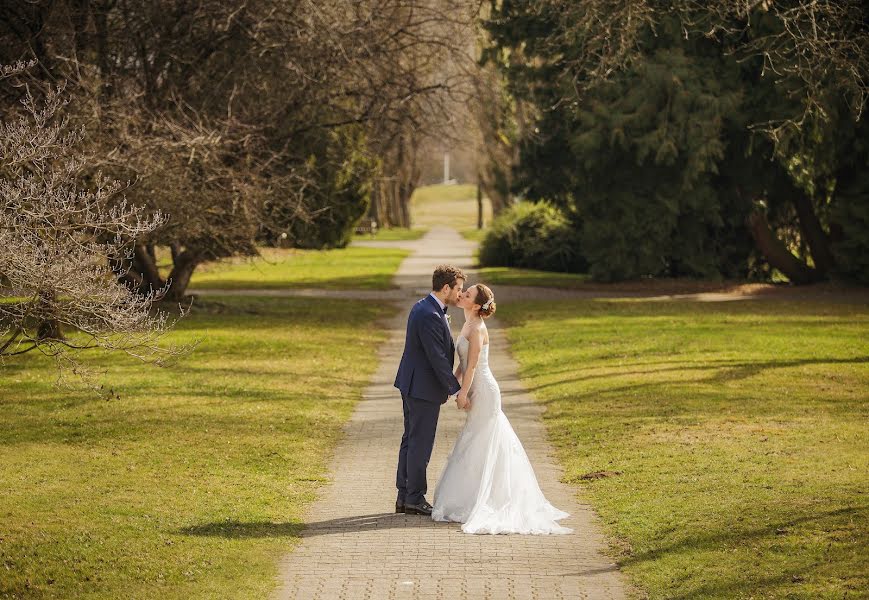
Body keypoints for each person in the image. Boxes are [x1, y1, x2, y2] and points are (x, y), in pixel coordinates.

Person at [431, 284, 572, 534]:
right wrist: (451, 385)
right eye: (464, 291)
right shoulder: (467, 324)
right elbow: (462, 366)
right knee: (478, 442)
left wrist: (463, 394)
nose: (461, 294)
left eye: (467, 294)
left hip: (484, 392)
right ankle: (474, 495)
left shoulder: (476, 329)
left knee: (481, 442)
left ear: (475, 305)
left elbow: (472, 366)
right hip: (475, 388)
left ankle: (489, 500)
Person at [393, 265, 465, 516]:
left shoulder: (425, 307)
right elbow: (437, 358)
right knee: (420, 444)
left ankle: (404, 496)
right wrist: (457, 390)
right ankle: (414, 497)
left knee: (411, 440)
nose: (460, 294)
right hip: (422, 388)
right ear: (446, 288)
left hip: (413, 384)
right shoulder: (430, 315)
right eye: (458, 289)